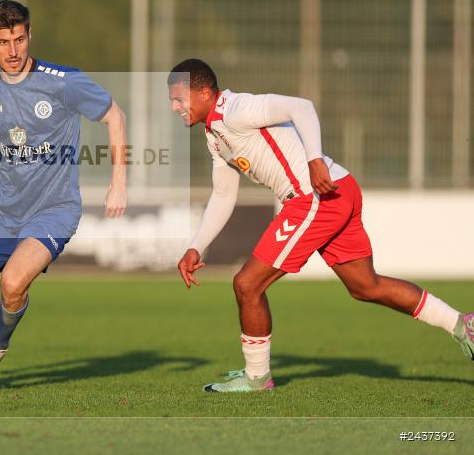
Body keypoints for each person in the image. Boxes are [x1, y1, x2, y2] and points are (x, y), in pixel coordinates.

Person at [168, 58, 474, 392]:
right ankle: (463, 325)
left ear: (204, 91)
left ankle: (256, 378)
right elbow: (224, 194)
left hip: (312, 196)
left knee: (247, 284)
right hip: (337, 190)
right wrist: (196, 246)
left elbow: (301, 107)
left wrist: (314, 159)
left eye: (179, 98)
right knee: (365, 286)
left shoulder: (237, 109)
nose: (175, 107)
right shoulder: (215, 136)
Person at [0, 0, 127, 384]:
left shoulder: (62, 81)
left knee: (13, 283)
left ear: (30, 35)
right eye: (3, 42)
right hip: (0, 210)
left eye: (19, 39)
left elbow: (115, 115)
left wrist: (118, 184)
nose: (13, 51)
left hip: (54, 208)